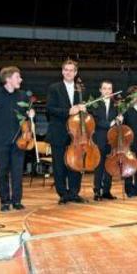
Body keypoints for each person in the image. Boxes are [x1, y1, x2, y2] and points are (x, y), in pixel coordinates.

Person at [0, 66, 35, 211]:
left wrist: (30, 114)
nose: (21, 79)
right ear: (8, 79)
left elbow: (26, 119)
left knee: (17, 173)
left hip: (19, 141)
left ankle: (17, 201)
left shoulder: (23, 96)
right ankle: (5, 201)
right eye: (18, 77)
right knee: (2, 172)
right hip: (1, 141)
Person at [46, 59, 88, 204]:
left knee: (76, 164)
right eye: (66, 70)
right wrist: (68, 111)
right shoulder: (54, 88)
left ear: (76, 73)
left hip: (76, 135)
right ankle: (63, 193)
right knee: (59, 165)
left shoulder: (81, 89)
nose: (68, 72)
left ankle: (74, 192)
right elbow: (50, 109)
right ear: (62, 71)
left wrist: (85, 109)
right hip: (59, 132)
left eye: (71, 70)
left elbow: (87, 112)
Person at [90, 80, 119, 201]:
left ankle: (107, 190)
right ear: (100, 90)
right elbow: (96, 120)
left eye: (109, 89)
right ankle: (97, 191)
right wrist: (111, 123)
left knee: (110, 164)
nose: (107, 91)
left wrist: (120, 119)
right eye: (105, 89)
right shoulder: (95, 104)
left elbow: (118, 120)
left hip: (112, 139)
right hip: (99, 138)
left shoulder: (116, 105)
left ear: (112, 91)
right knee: (99, 165)